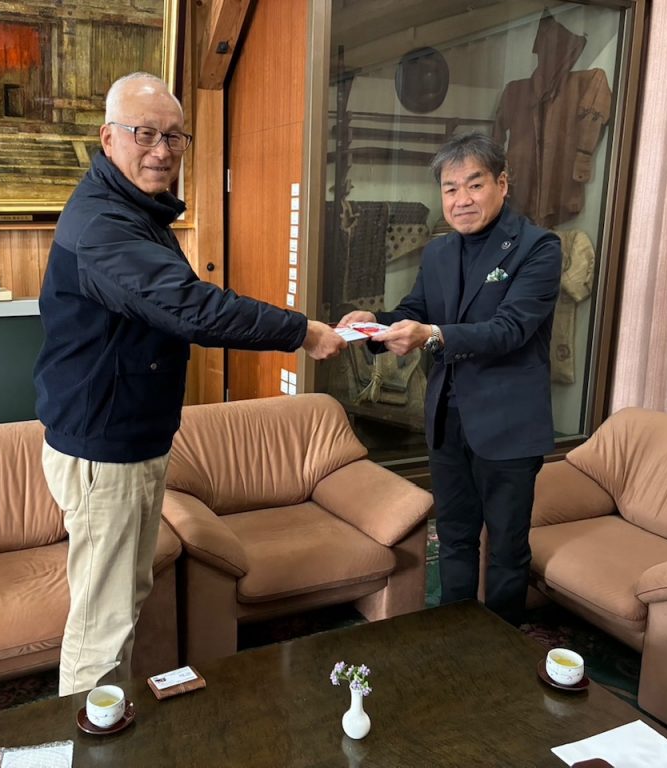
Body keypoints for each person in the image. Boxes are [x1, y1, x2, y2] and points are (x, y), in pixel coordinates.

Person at [33, 71, 346, 696]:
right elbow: (190, 307)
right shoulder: (103, 224)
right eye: (145, 134)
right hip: (105, 450)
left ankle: (116, 724)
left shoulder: (135, 210)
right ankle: (88, 737)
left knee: (124, 598)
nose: (162, 151)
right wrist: (302, 331)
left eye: (175, 137)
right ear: (108, 138)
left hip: (132, 440)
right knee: (101, 623)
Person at [338, 132, 561, 626]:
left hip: (507, 425)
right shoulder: (439, 252)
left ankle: (502, 646)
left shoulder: (538, 248)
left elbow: (510, 330)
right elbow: (416, 311)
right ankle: (454, 634)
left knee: (506, 546)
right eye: (450, 188)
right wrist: (373, 323)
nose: (462, 200)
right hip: (447, 418)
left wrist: (433, 335)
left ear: (502, 184)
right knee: (455, 536)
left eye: (474, 185)